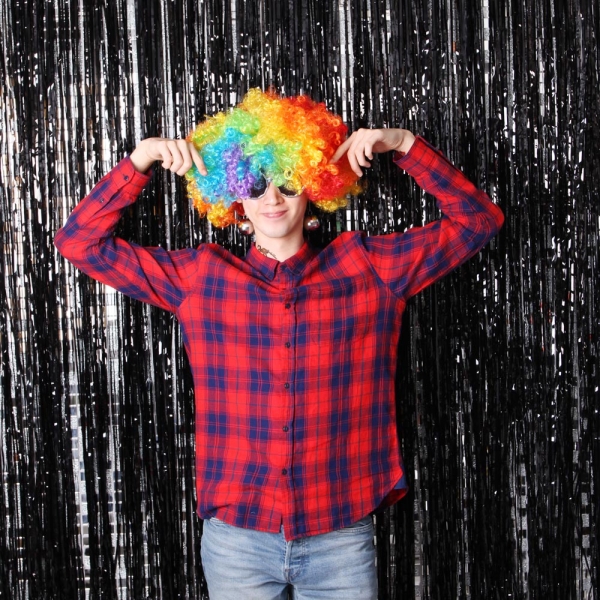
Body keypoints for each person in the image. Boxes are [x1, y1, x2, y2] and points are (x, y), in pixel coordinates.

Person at [55, 89, 504, 600]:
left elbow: (478, 221)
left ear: (314, 186)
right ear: (235, 196)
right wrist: (141, 160)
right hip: (237, 542)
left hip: (339, 537)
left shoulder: (370, 268)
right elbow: (79, 242)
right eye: (255, 184)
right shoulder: (200, 278)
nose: (272, 198)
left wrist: (403, 144)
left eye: (288, 182)